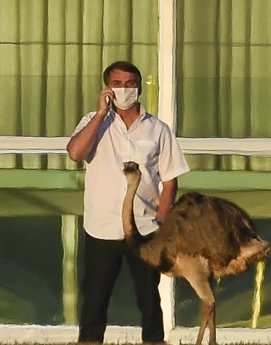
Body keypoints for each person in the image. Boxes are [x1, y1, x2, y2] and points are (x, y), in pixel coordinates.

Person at [66, 60, 190, 343]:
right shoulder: (93, 122)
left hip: (145, 228)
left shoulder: (157, 128)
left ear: (139, 87)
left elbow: (170, 178)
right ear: (107, 88)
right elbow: (75, 153)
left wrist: (161, 217)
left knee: (149, 301)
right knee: (95, 300)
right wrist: (100, 114)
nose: (124, 89)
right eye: (117, 84)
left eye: (130, 83)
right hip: (102, 226)